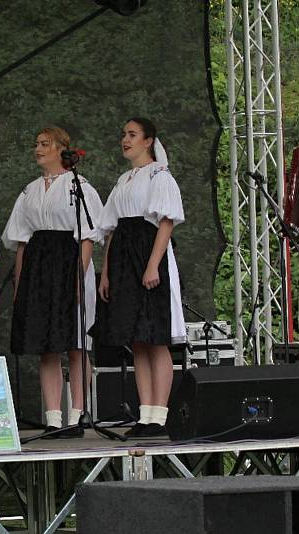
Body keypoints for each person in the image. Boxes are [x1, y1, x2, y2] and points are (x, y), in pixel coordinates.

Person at [2, 128, 102, 438]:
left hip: (67, 262)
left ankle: (77, 414)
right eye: (36, 144)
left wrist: (77, 275)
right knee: (46, 345)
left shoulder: (79, 186)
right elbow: (21, 240)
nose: (38, 149)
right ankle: (53, 418)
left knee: (74, 341)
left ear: (62, 148)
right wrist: (20, 283)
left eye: (45, 144)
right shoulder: (29, 190)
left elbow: (88, 236)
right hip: (38, 266)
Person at [89, 118, 185, 438]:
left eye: (132, 135)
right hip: (124, 258)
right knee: (137, 339)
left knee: (155, 336)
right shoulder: (123, 180)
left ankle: (160, 414)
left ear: (148, 140)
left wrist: (152, 265)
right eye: (123, 134)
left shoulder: (160, 175)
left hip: (148, 251)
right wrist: (107, 275)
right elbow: (111, 228)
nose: (125, 140)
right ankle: (145, 414)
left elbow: (166, 223)